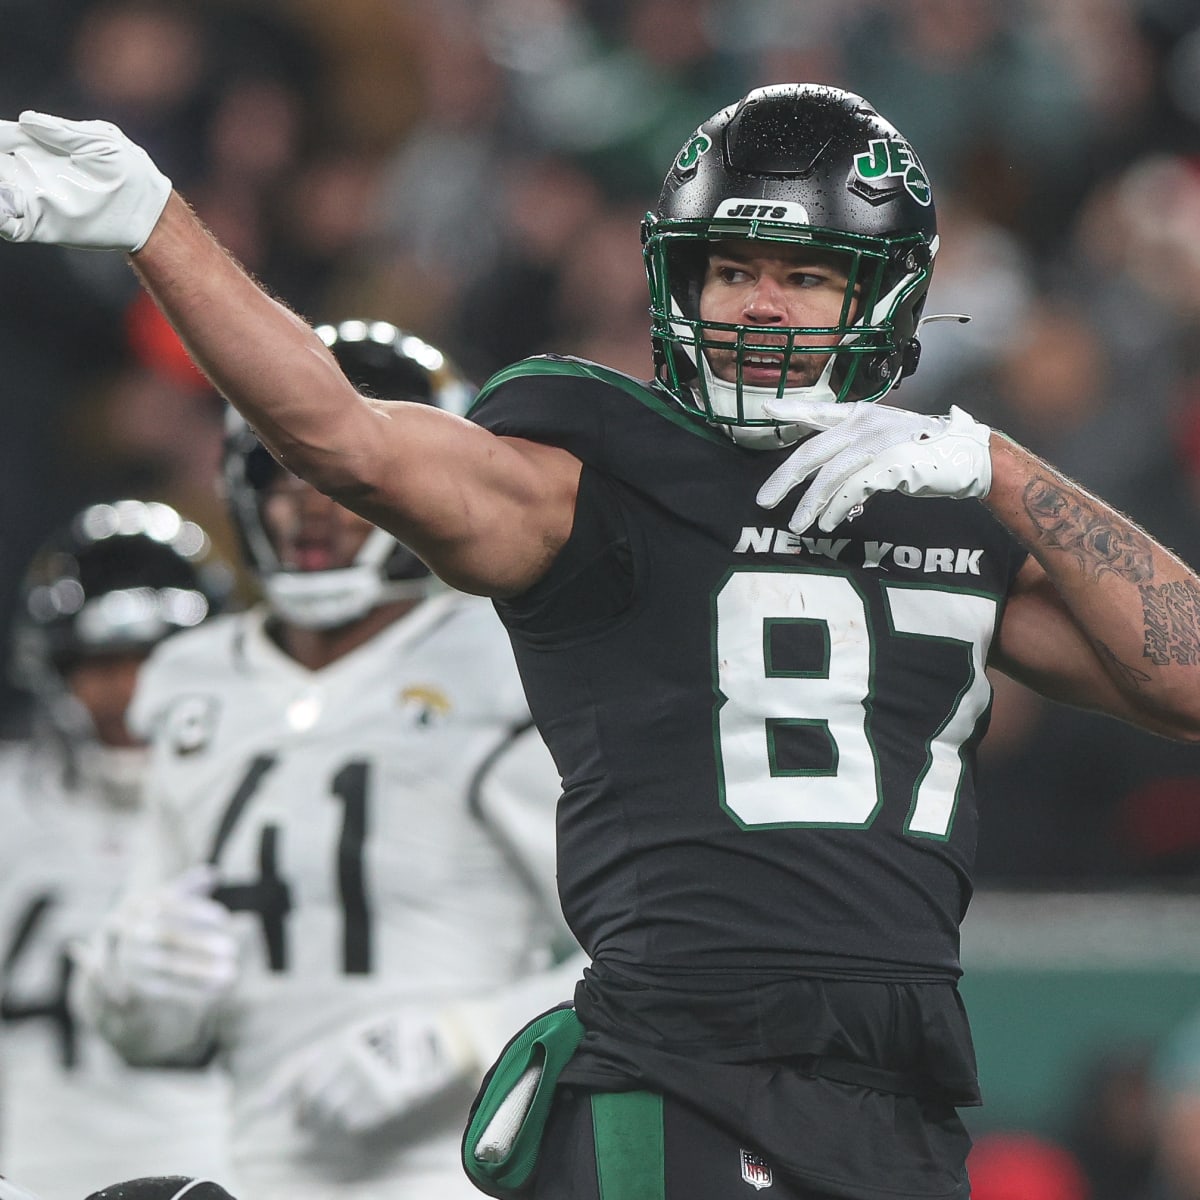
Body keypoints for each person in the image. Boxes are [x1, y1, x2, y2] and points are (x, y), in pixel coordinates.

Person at [4, 82, 1200, 1199]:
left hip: (905, 1073)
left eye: (803, 272)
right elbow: (344, 439)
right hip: (683, 1055)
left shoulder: (952, 503)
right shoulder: (594, 477)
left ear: (881, 292)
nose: (758, 305)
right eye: (729, 270)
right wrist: (157, 222)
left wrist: (1004, 468)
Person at [69, 322, 583, 1200]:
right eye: (285, 475)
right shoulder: (194, 680)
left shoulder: (507, 659)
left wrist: (466, 1034)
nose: (311, 506)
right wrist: (129, 981)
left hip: (465, 1170)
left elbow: (640, 949)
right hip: (245, 1166)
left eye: (347, 481)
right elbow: (150, 1033)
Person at [0, 500, 233, 1200]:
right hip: (29, 1161)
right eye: (103, 663)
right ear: (56, 668)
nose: (131, 694)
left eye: (152, 660)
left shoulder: (276, 805)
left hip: (222, 1166)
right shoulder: (11, 804)